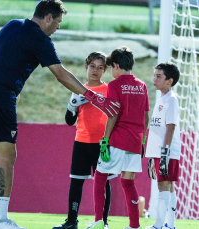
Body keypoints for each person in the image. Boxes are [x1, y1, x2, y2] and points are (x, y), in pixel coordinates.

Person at [0, 1, 120, 229]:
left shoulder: (12, 25)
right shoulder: (39, 38)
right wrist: (94, 97)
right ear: (48, 18)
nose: (58, 27)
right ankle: (0, 219)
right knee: (7, 155)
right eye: (58, 22)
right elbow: (61, 74)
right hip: (0, 96)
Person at [86, 47, 150, 229]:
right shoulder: (142, 85)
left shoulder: (115, 85)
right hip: (136, 141)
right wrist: (143, 140)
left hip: (118, 139)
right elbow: (146, 116)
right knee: (128, 182)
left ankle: (98, 221)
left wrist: (105, 140)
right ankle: (134, 225)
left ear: (115, 65)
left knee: (100, 176)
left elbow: (112, 114)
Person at [52, 52, 115, 229]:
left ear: (105, 70)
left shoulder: (109, 90)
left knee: (103, 183)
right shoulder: (78, 89)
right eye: (92, 66)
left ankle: (103, 222)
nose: (95, 70)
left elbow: (115, 116)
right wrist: (72, 105)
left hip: (101, 144)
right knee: (76, 182)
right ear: (86, 67)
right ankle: (71, 221)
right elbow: (70, 121)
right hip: (81, 142)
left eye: (100, 67)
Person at [145, 62, 181, 229]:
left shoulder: (171, 100)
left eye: (159, 76)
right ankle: (170, 225)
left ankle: (158, 225)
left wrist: (165, 152)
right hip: (161, 151)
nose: (154, 79)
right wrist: (153, 154)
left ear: (169, 81)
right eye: (155, 75)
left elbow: (171, 126)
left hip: (166, 151)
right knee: (169, 185)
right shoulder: (162, 98)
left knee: (163, 185)